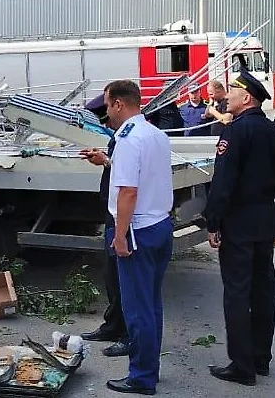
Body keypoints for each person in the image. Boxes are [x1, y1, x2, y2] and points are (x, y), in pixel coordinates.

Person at [202, 70, 275, 387]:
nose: (226, 96)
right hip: (264, 217)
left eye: (232, 92)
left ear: (247, 98)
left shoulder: (235, 132)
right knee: (263, 289)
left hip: (239, 220)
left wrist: (212, 222)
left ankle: (242, 366)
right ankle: (260, 358)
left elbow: (223, 182)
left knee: (238, 292)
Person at [99, 79, 173, 395]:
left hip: (137, 229)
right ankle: (149, 368)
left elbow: (128, 191)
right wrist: (107, 162)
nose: (106, 113)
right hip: (159, 225)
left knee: (137, 308)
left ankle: (142, 377)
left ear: (119, 103)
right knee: (152, 304)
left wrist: (118, 237)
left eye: (107, 106)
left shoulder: (127, 138)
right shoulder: (154, 134)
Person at [80, 94, 129, 357]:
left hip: (123, 214)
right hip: (113, 211)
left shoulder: (130, 137)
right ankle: (113, 325)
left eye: (107, 114)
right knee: (112, 275)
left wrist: (106, 161)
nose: (107, 122)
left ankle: (126, 334)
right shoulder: (119, 137)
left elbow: (128, 178)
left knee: (125, 278)